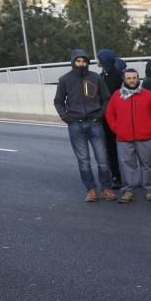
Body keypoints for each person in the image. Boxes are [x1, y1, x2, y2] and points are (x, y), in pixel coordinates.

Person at [54, 49, 115, 202]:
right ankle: (91, 190)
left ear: (87, 62)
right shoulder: (64, 80)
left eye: (84, 61)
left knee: (102, 159)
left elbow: (107, 98)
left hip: (95, 124)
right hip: (76, 126)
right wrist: (67, 117)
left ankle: (107, 188)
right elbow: (58, 101)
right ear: (73, 62)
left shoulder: (96, 78)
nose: (81, 64)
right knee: (84, 160)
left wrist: (100, 115)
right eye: (78, 61)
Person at [105, 68, 151, 203]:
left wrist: (149, 129)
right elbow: (109, 114)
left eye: (134, 78)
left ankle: (150, 189)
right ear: (124, 79)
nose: (132, 80)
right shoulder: (116, 95)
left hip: (146, 137)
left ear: (138, 78)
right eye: (129, 78)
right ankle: (129, 191)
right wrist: (117, 129)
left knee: (147, 164)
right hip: (124, 138)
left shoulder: (147, 95)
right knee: (127, 165)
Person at [96, 49, 125, 188]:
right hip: (106, 120)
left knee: (126, 148)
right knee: (111, 149)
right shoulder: (102, 76)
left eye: (99, 59)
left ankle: (128, 176)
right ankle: (116, 176)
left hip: (120, 118)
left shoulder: (119, 76)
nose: (97, 62)